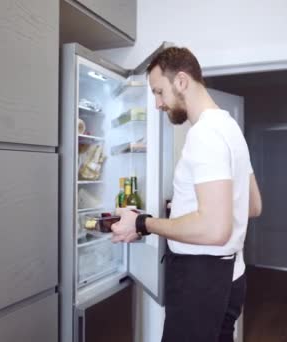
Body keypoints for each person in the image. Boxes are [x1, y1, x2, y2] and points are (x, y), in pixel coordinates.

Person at [111, 46, 263, 342]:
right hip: (230, 275)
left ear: (181, 81)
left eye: (158, 92)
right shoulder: (230, 128)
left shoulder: (204, 134)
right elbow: (253, 204)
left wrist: (142, 223)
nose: (157, 103)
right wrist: (186, 209)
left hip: (200, 282)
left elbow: (215, 229)